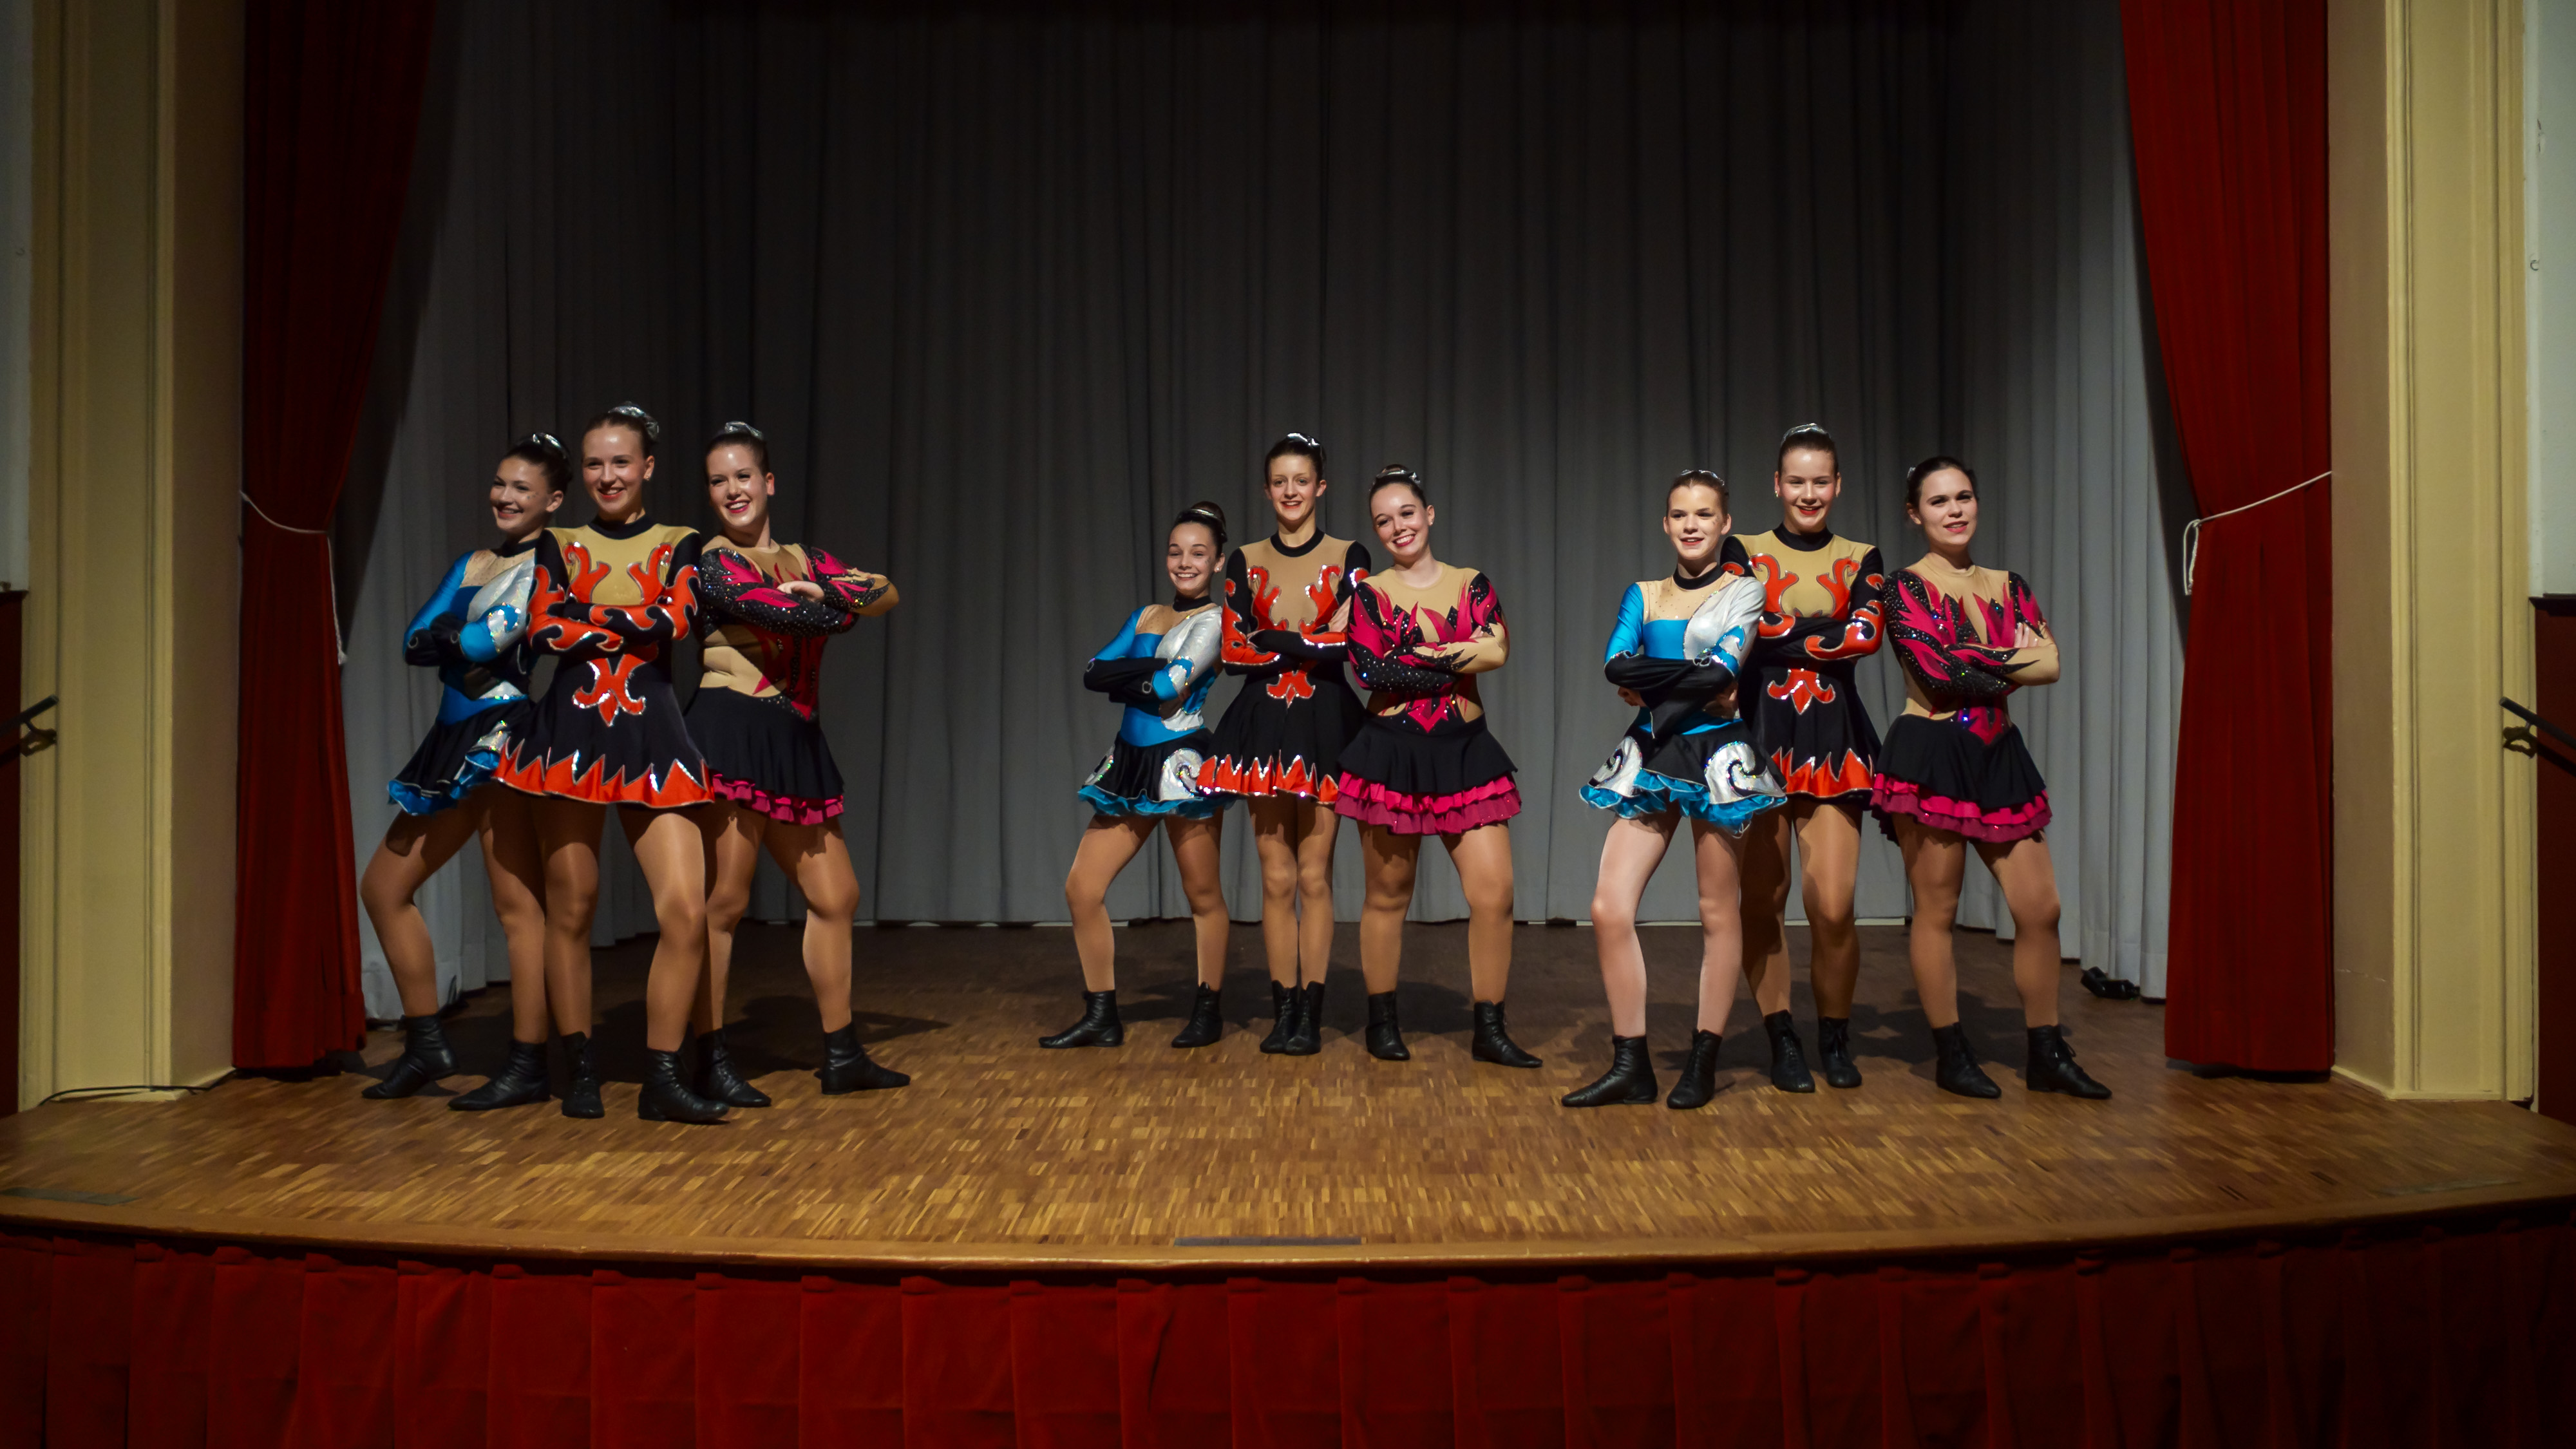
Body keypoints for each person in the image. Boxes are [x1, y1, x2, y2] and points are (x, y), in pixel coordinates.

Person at [495, 403, 730, 1124]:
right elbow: (542, 629)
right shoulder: (559, 542)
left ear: (647, 467)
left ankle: (662, 1076)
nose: (607, 476)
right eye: (595, 463)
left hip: (653, 739)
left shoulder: (681, 541)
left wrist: (588, 618)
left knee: (686, 909)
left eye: (620, 462)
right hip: (568, 740)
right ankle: (581, 1070)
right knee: (571, 909)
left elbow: (677, 621)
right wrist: (627, 621)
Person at [685, 421, 910, 1104]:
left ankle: (842, 1053)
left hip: (794, 737)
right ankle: (708, 1057)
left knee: (837, 896)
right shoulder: (711, 562)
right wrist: (837, 605)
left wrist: (834, 595)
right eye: (719, 481)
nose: (733, 490)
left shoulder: (805, 557)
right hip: (732, 729)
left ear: (768, 481)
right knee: (723, 902)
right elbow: (793, 618)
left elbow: (887, 593)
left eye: (743, 476)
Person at [1874, 455, 2109, 1100]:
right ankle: (1952, 1053)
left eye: (1963, 497)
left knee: (2041, 908)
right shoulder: (1903, 587)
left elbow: (2051, 664)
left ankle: (2046, 1053)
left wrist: (1976, 657)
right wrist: (2013, 658)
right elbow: (1938, 674)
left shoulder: (2010, 584)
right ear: (1914, 514)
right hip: (1931, 750)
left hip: (1998, 748)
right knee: (1937, 910)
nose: (1954, 510)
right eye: (1938, 501)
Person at [1566, 471, 1785, 1108]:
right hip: (1651, 752)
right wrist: (1688, 678)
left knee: (1718, 911)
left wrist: (1654, 682)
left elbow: (1723, 672)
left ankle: (1703, 1060)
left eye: (1704, 514)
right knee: (1608, 907)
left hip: (1717, 756)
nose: (1692, 525)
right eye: (1680, 515)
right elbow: (1615, 663)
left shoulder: (1745, 591)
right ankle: (1630, 1063)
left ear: (1724, 524)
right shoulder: (1642, 593)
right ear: (1665, 524)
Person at [357, 435, 561, 1104]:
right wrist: (449, 639)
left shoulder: (546, 568)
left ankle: (528, 1061)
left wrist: (450, 638)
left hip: (501, 737)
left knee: (517, 906)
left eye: (522, 488)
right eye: (500, 483)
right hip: (450, 738)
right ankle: (426, 1045)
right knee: (383, 888)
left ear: (553, 501)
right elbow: (413, 640)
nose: (504, 496)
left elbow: (475, 640)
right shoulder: (474, 561)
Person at [1330, 466, 1539, 1068]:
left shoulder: (1471, 582)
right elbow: (1371, 670)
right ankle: (1382, 1022)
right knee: (1387, 895)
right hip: (1390, 753)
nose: (1398, 527)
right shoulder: (1368, 594)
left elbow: (1497, 649)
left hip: (1466, 752)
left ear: (1429, 514)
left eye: (1406, 513)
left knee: (1495, 894)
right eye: (1383, 521)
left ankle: (1490, 1029)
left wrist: (1414, 654)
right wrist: (1455, 658)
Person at [1722, 424, 1886, 1092]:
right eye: (1797, 481)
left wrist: (1781, 632)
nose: (1809, 493)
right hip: (1759, 732)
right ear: (1777, 484)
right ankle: (1781, 1035)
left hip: (1834, 738)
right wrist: (1826, 630)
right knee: (1763, 900)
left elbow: (1867, 636)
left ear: (1838, 484)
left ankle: (1835, 1036)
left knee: (1833, 904)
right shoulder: (1743, 549)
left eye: (1821, 481)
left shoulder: (1862, 555)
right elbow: (1741, 627)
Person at [1198, 433, 1370, 1056]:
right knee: (1275, 877)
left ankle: (1313, 1014)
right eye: (1280, 482)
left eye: (1301, 480)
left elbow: (1352, 645)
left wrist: (1275, 639)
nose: (1291, 491)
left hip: (1326, 722)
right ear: (1266, 489)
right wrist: (1309, 641)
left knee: (1314, 875)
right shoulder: (1245, 559)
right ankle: (1284, 1009)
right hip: (1264, 726)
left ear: (1321, 486)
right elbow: (1233, 652)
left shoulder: (1351, 555)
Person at [1041, 503, 1233, 1049]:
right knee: (1082, 888)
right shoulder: (1146, 614)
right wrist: (1149, 673)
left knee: (1202, 894)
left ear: (1218, 562)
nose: (1185, 562)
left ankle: (1208, 1009)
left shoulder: (1215, 621)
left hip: (1181, 764)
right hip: (1129, 762)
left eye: (1198, 553)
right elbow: (1091, 672)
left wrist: (1132, 676)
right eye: (1176, 552)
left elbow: (1166, 689)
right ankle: (1101, 1014)